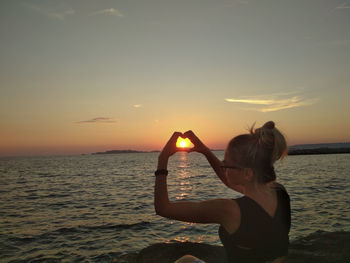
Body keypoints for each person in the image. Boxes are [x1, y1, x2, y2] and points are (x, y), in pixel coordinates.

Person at [154, 121, 291, 263]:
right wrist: (203, 150)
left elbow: (163, 208)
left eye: (227, 164)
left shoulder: (229, 210)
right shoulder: (280, 192)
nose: (223, 166)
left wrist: (162, 159)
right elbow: (227, 179)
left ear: (247, 174)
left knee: (185, 261)